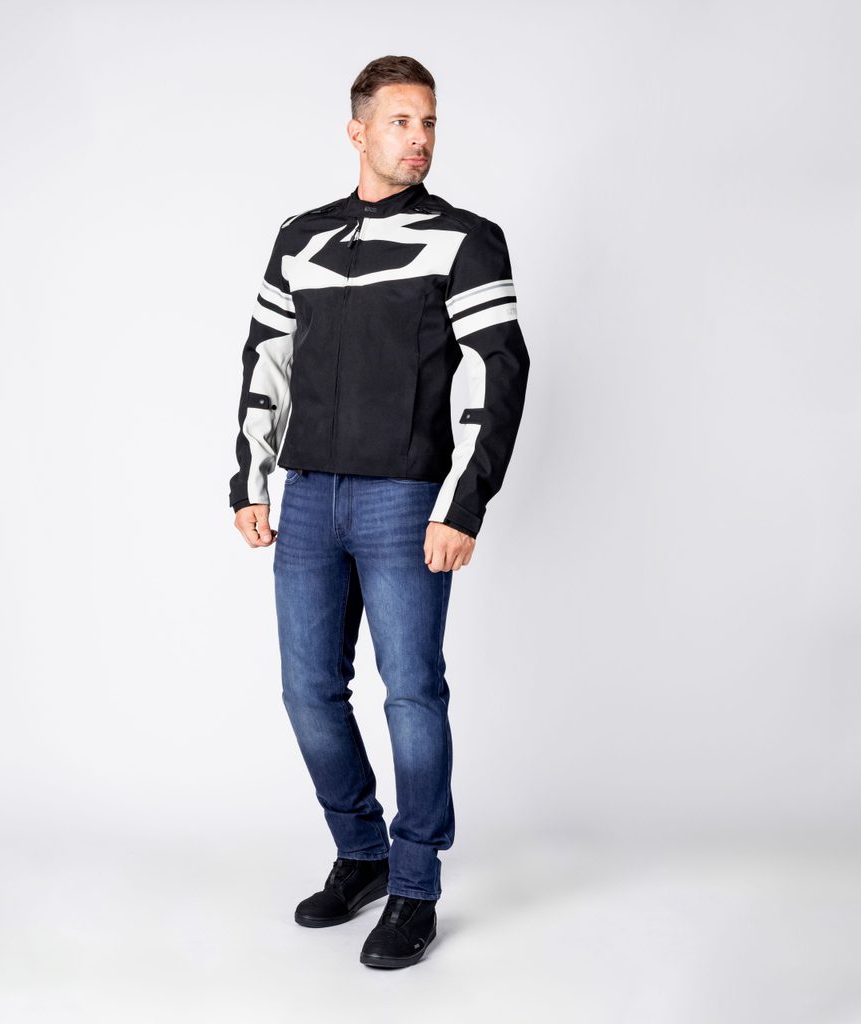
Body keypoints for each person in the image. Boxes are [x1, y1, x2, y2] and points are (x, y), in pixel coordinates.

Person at [228, 55, 530, 968]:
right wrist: (250, 478)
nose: (420, 138)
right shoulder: (301, 238)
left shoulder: (466, 240)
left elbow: (501, 371)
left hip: (405, 502)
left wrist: (463, 504)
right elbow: (266, 357)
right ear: (357, 130)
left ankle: (415, 885)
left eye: (429, 122)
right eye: (401, 121)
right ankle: (360, 852)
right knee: (308, 692)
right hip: (308, 497)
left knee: (412, 693)